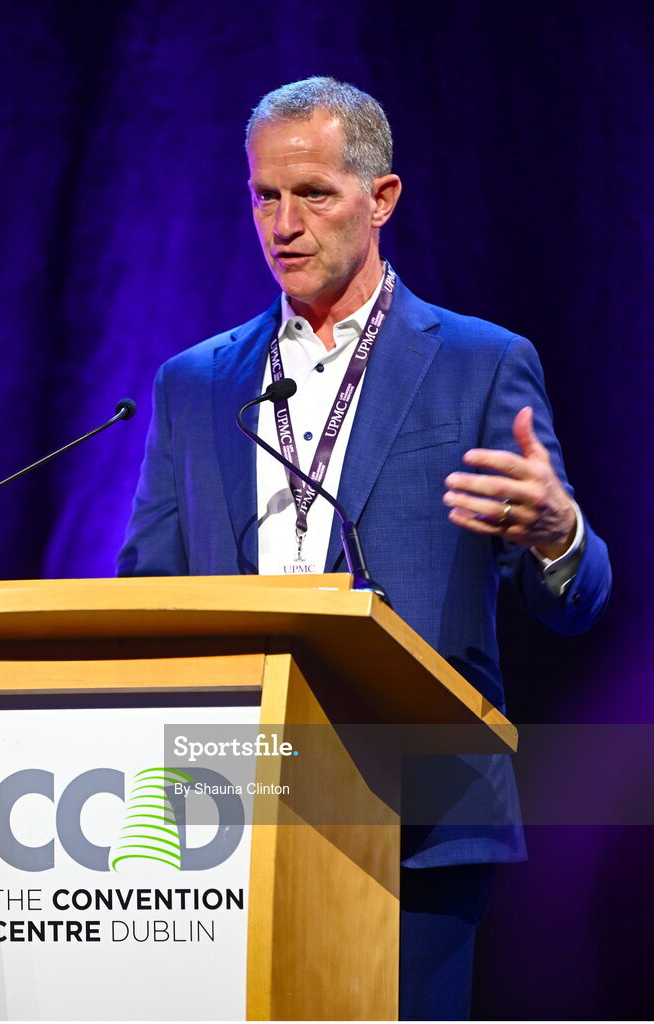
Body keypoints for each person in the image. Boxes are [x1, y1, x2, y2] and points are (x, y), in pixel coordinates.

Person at [117, 77, 611, 1019]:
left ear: (379, 198)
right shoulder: (192, 382)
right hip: (229, 804)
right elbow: (147, 585)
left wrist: (557, 533)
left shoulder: (478, 360)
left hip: (419, 809)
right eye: (265, 196)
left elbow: (574, 600)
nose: (283, 223)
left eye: (314, 194)